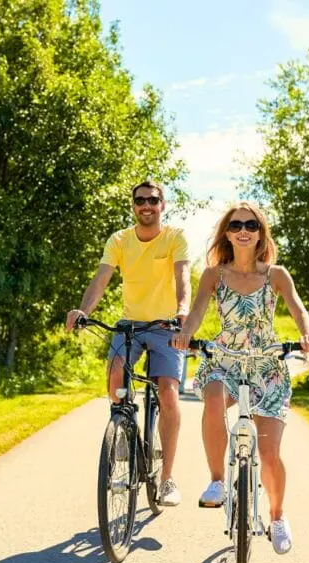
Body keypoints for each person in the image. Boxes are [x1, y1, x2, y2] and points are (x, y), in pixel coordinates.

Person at [172, 201, 309, 554]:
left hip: (267, 364)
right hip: (225, 357)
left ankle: (278, 516)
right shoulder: (213, 275)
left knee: (268, 454)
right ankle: (218, 483)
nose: (243, 230)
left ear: (260, 233)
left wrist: (308, 334)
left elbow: (299, 309)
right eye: (236, 224)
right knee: (212, 397)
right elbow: (195, 315)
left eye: (251, 225)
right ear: (226, 232)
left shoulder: (276, 275)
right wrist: (184, 335)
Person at [66, 180, 191, 506]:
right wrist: (84, 310)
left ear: (162, 205)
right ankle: (122, 419)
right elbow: (101, 278)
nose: (146, 205)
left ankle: (167, 480)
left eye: (153, 200)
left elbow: (183, 279)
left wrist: (181, 312)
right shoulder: (119, 240)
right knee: (115, 373)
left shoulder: (175, 237)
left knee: (167, 391)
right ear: (133, 205)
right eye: (140, 200)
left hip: (166, 325)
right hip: (130, 324)